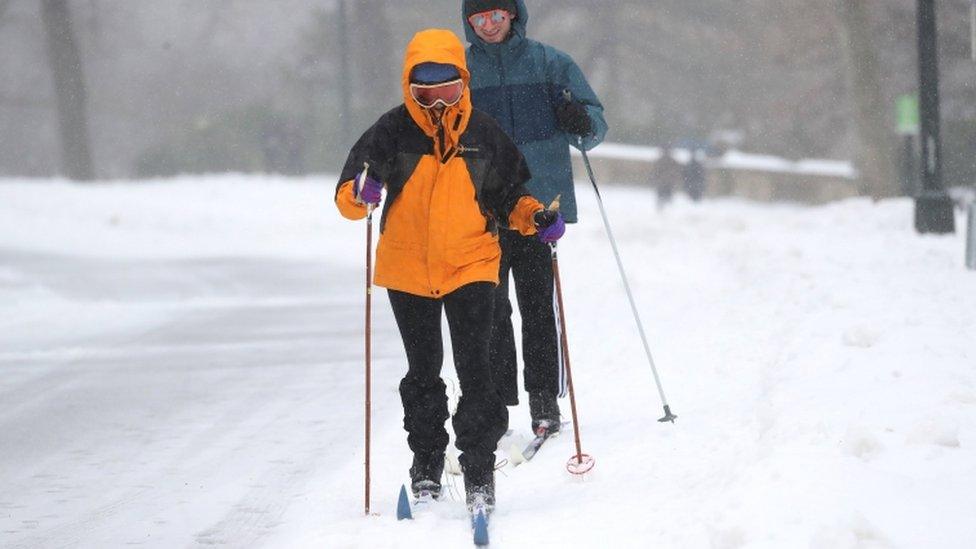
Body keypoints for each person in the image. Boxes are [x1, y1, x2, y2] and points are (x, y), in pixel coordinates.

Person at [334, 29, 565, 514]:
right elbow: (350, 197)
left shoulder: (483, 134)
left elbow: (509, 200)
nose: (437, 99)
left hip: (472, 264)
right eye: (425, 89)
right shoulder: (390, 132)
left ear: (464, 81)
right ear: (409, 86)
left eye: (447, 87)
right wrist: (361, 193)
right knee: (423, 371)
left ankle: (479, 471)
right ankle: (426, 463)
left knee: (476, 370)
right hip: (407, 267)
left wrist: (536, 217)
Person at [462, 0, 608, 438]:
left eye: (497, 16)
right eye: (479, 18)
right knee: (490, 310)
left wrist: (579, 119)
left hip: (539, 206)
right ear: (469, 23)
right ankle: (498, 402)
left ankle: (544, 399)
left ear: (513, 16)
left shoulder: (551, 63)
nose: (489, 26)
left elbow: (594, 126)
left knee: (538, 306)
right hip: (481, 208)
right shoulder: (463, 71)